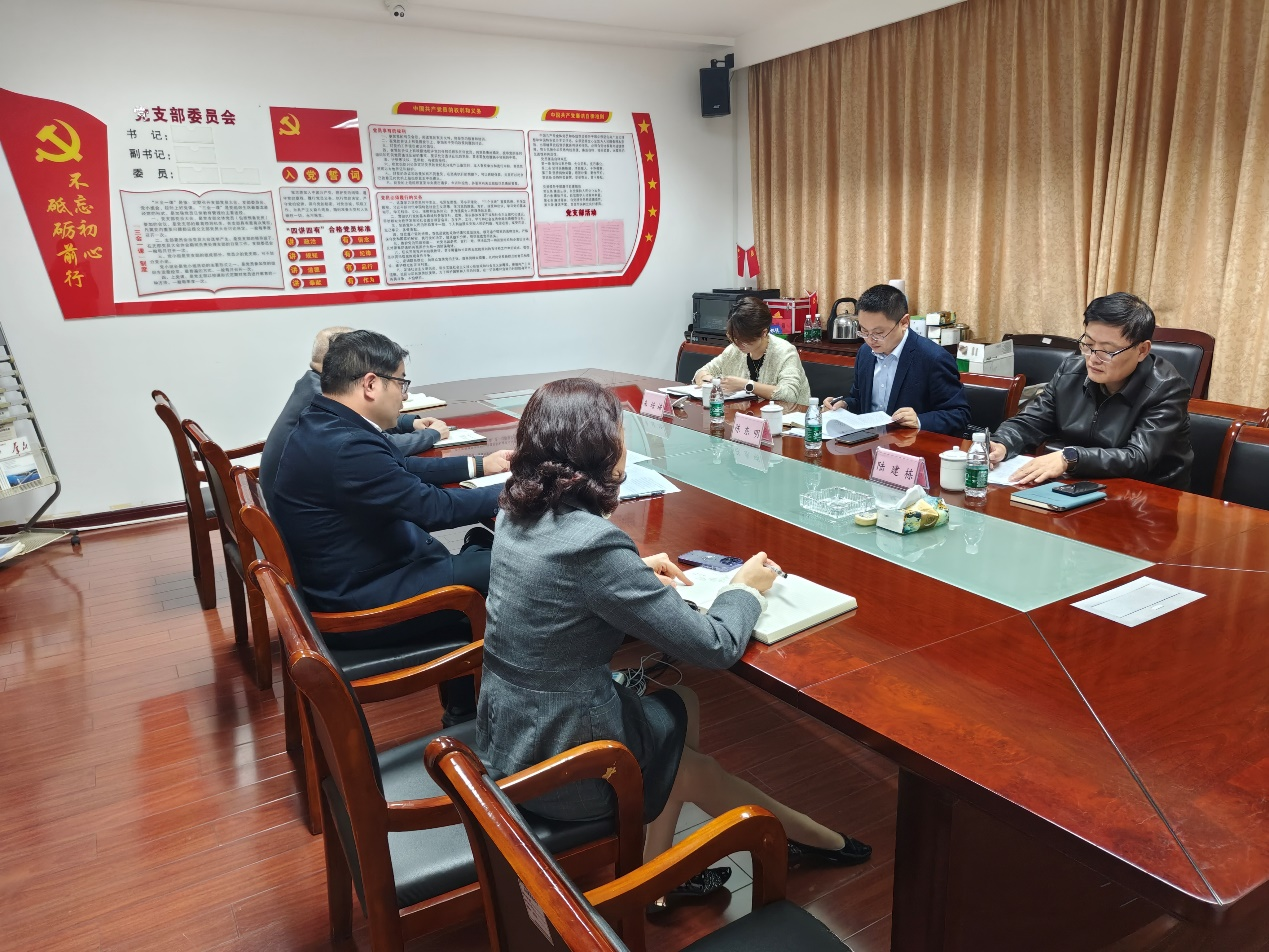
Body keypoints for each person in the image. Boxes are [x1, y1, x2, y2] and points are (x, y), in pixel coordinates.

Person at [477, 377, 871, 904]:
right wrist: (744, 589)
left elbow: (556, 585)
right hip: (567, 762)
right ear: (600, 453)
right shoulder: (593, 545)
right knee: (692, 767)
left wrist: (631, 575)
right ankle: (807, 839)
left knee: (682, 703)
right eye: (620, 436)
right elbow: (714, 646)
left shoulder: (517, 509)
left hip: (508, 730)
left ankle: (660, 875)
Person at [270, 329, 507, 612]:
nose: (404, 398)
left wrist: (479, 465)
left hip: (361, 571)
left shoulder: (325, 420)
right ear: (371, 384)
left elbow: (401, 467)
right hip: (364, 597)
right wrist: (514, 490)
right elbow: (433, 508)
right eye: (401, 383)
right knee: (514, 565)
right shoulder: (348, 446)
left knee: (488, 549)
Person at [259, 326, 505, 498]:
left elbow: (383, 448)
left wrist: (408, 423)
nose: (404, 395)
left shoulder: (318, 392)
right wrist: (431, 435)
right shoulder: (330, 415)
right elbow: (385, 450)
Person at [989, 293, 1193, 489]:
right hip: (1080, 485)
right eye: (1088, 344)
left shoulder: (1167, 389)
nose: (1093, 358)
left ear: (1142, 350)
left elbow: (1139, 458)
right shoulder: (1070, 372)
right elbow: (1032, 421)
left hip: (1147, 496)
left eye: (1108, 351)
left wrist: (1070, 458)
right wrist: (1002, 443)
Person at [824, 284, 970, 436]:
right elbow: (859, 400)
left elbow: (959, 415)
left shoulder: (933, 358)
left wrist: (919, 420)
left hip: (910, 445)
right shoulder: (865, 353)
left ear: (904, 322)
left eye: (878, 333)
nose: (870, 340)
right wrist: (845, 405)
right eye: (864, 331)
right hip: (868, 443)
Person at [692, 297, 812, 404]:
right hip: (749, 415)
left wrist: (746, 385)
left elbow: (789, 395)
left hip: (786, 418)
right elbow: (701, 372)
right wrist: (711, 381)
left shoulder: (786, 352)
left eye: (745, 340)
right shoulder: (734, 349)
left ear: (764, 333)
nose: (738, 344)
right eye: (734, 338)